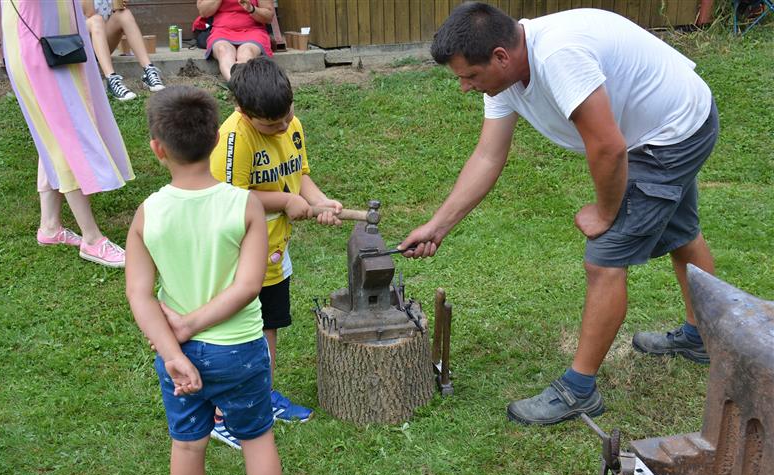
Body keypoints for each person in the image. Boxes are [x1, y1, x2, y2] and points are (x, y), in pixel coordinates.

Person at [400, 3, 719, 425]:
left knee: (604, 257)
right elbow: (488, 156)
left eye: (470, 77)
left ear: (500, 56)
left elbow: (608, 147)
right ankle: (703, 337)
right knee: (680, 232)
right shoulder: (506, 76)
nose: (465, 87)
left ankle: (578, 390)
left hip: (672, 132)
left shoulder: (557, 57)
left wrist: (606, 213)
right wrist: (437, 226)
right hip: (661, 121)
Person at [125, 85, 290, 475]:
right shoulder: (245, 205)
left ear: (158, 149)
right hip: (237, 349)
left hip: (175, 350)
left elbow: (139, 294)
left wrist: (175, 353)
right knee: (256, 440)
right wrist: (193, 327)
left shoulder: (147, 213)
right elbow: (248, 286)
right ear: (217, 138)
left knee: (187, 447)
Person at [206, 56, 343, 448]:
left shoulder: (290, 125)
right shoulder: (234, 138)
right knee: (236, 336)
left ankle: (259, 398)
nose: (283, 126)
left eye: (287, 116)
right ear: (242, 111)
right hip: (237, 255)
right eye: (272, 124)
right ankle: (221, 414)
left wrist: (320, 201)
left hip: (275, 253)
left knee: (268, 327)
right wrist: (284, 202)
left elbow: (299, 175)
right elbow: (229, 198)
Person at [0, 0, 132, 268]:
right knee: (65, 135)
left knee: (52, 132)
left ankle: (49, 226)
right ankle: (92, 239)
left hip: (58, 41)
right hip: (37, 46)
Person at [81, 0, 165, 101]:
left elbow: (114, 10)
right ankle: (111, 79)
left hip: (101, 46)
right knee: (96, 20)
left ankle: (149, 70)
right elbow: (89, 13)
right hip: (82, 47)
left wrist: (117, 5)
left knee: (124, 14)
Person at [196, 0, 275, 81]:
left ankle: (238, 84)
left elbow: (268, 17)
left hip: (253, 30)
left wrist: (252, 8)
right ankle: (236, 84)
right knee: (223, 50)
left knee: (246, 52)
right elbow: (203, 12)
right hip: (221, 31)